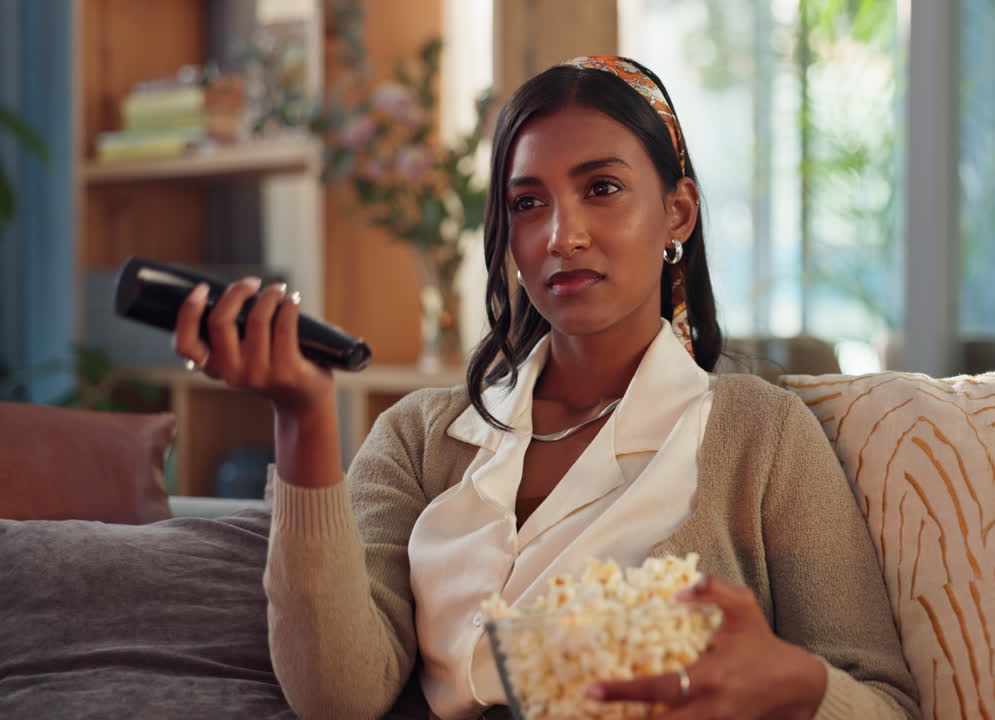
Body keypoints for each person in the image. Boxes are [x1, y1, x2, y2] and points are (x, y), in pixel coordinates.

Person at [172, 56, 919, 720]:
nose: (563, 234)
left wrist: (794, 684)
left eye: (602, 188)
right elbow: (337, 696)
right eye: (528, 203)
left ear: (676, 213)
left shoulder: (763, 434)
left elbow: (884, 702)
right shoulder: (421, 436)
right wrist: (303, 416)